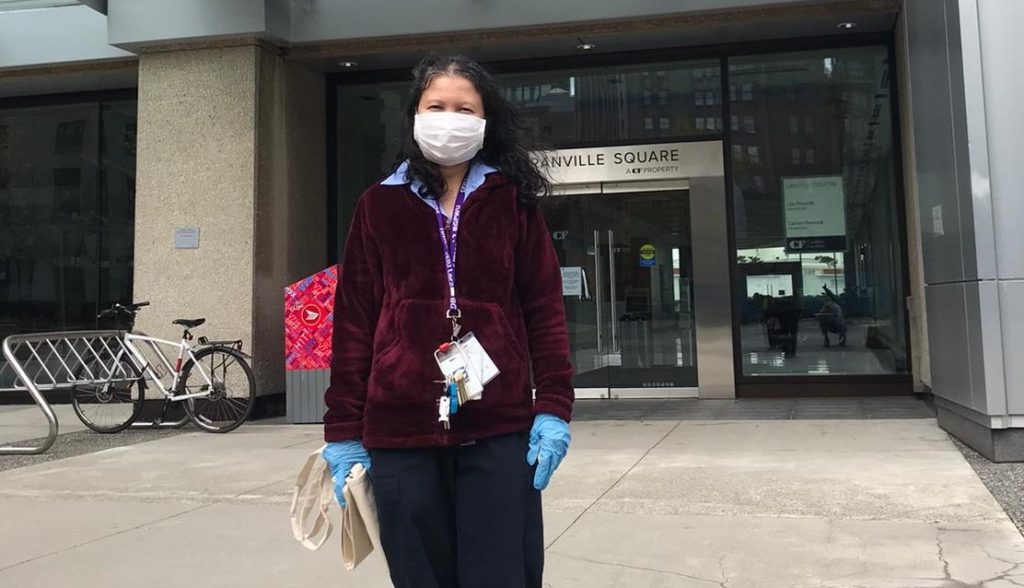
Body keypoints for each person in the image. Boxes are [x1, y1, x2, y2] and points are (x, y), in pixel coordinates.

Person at [321, 54, 575, 588]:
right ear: (414, 115)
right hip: (399, 429)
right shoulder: (378, 205)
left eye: (465, 107)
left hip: (499, 426)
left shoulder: (514, 202)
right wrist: (344, 430)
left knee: (502, 573)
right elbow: (354, 323)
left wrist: (552, 407)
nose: (449, 117)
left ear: (485, 123)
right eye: (436, 105)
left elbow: (545, 311)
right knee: (420, 576)